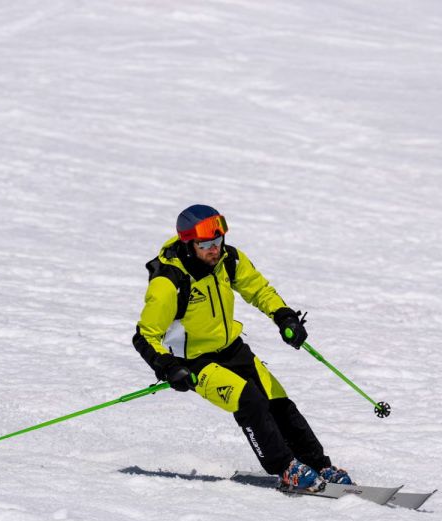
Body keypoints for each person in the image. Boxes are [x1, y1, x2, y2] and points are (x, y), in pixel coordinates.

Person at [132, 204, 352, 491]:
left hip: (232, 349)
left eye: (217, 241)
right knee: (249, 401)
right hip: (196, 362)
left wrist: (283, 316)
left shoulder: (228, 260)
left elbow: (258, 290)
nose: (214, 249)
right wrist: (168, 367)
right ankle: (286, 469)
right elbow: (144, 335)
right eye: (206, 244)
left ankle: (319, 465)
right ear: (188, 244)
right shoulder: (169, 282)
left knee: (278, 402)